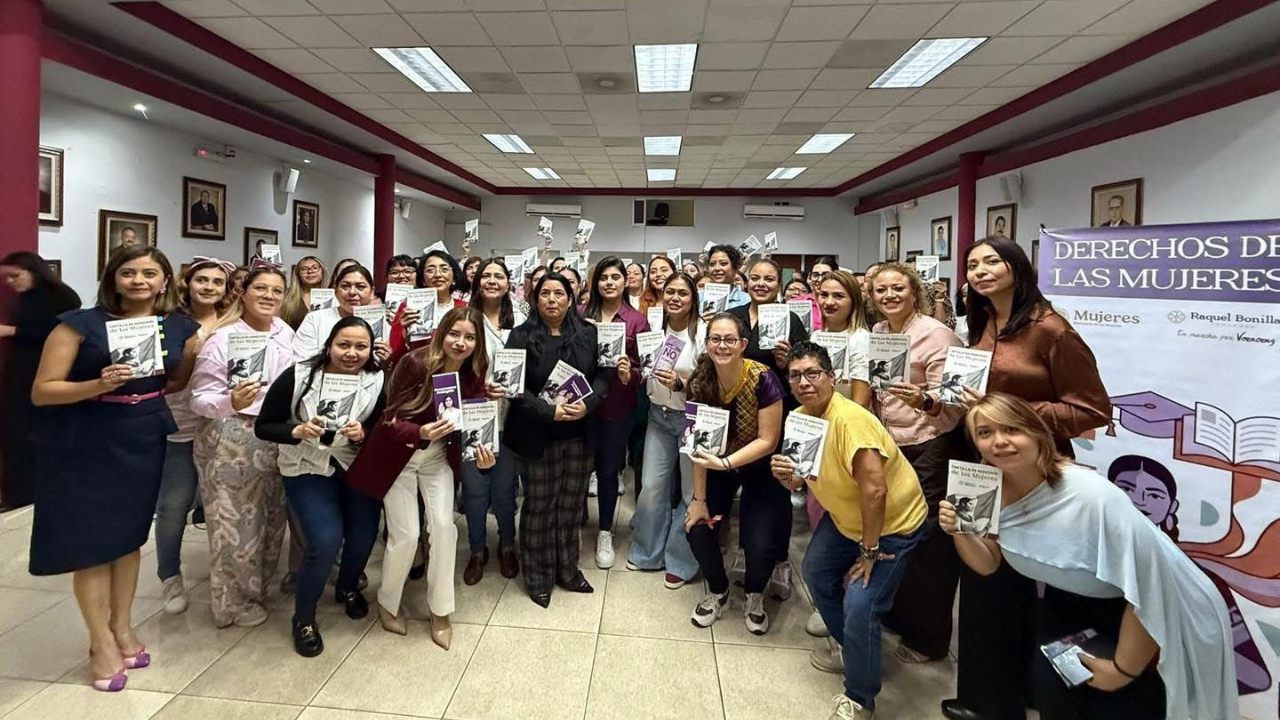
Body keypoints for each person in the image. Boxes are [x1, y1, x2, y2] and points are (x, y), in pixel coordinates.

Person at [941, 393, 1237, 720]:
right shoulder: (982, 483)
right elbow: (988, 563)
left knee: (1120, 707)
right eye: (985, 432)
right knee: (1055, 696)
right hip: (1070, 600)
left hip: (1144, 607)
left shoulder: (1093, 497)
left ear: (1037, 433)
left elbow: (1149, 589)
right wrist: (959, 531)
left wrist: (1123, 669)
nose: (999, 441)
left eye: (1012, 429)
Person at [943, 236, 1111, 720]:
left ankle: (1028, 692)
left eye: (991, 261)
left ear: (1017, 267)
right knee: (984, 581)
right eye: (972, 264)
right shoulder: (983, 321)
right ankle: (986, 700)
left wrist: (1012, 413)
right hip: (980, 464)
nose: (980, 271)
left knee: (1031, 578)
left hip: (1033, 469)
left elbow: (1092, 409)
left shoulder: (1050, 329)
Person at [29, 246, 201, 691]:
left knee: (128, 538)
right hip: (87, 438)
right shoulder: (78, 325)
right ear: (113, 278)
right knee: (92, 542)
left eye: (149, 272)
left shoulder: (179, 326)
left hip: (143, 433)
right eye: (128, 272)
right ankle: (99, 640)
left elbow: (175, 380)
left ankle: (122, 627)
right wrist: (97, 383)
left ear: (165, 280)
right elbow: (43, 391)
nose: (139, 280)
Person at [772, 342, 926, 720]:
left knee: (861, 604)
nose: (804, 382)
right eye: (796, 375)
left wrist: (869, 550)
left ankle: (860, 699)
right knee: (816, 572)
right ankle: (854, 651)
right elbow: (801, 481)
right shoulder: (800, 418)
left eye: (813, 373)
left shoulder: (850, 420)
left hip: (892, 526)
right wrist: (788, 478)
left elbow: (875, 491)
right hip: (847, 520)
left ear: (832, 377)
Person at [346, 308, 498, 647]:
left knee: (444, 528)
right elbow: (388, 418)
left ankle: (440, 610)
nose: (460, 343)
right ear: (441, 333)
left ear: (478, 342)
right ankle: (388, 601)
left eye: (470, 337)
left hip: (437, 457)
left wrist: (483, 451)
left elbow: (474, 419)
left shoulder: (474, 370)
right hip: (397, 457)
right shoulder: (415, 363)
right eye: (454, 334)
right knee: (406, 535)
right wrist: (420, 431)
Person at [254, 316, 386, 657]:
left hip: (354, 464)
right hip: (306, 466)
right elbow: (264, 426)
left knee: (363, 536)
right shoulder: (299, 376)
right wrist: (296, 431)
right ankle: (304, 618)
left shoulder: (376, 379)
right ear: (328, 346)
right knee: (325, 540)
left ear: (371, 350)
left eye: (361, 347)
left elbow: (382, 428)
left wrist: (363, 434)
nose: (352, 353)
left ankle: (347, 587)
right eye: (344, 345)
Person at [863, 262, 969, 664]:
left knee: (928, 542)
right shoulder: (880, 331)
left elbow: (955, 400)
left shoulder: (937, 334)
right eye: (881, 290)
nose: (889, 296)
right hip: (894, 446)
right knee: (899, 530)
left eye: (898, 289)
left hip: (931, 444)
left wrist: (924, 400)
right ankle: (899, 613)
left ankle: (929, 638)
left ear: (914, 292)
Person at [189, 265, 294, 628]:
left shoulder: (284, 332)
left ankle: (258, 589)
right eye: (260, 288)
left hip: (275, 434)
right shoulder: (222, 339)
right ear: (243, 293)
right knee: (234, 524)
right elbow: (199, 398)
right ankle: (232, 603)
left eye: (276, 291)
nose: (269, 296)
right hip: (231, 436)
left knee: (271, 517)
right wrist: (229, 402)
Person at [503, 272, 611, 607]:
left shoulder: (589, 333)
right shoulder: (520, 336)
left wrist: (588, 404)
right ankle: (538, 576)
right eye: (545, 293)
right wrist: (549, 411)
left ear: (571, 298)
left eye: (559, 293)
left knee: (570, 506)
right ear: (535, 299)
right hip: (537, 434)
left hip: (579, 433)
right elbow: (513, 386)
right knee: (539, 507)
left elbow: (603, 375)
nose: (552, 299)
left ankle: (568, 570)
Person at [682, 312, 785, 633]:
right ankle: (718, 590)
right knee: (697, 527)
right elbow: (698, 447)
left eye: (730, 340)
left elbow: (769, 440)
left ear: (743, 344)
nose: (722, 346)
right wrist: (699, 500)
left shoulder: (764, 378)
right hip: (717, 466)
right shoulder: (700, 382)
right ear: (707, 343)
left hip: (761, 467)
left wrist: (727, 463)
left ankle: (754, 594)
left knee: (760, 543)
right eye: (715, 339)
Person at [154, 257, 233, 615]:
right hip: (181, 420)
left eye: (217, 281)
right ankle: (169, 575)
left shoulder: (233, 321)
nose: (209, 287)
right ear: (188, 282)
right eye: (202, 280)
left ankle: (229, 571)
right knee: (174, 503)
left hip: (222, 423)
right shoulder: (169, 321)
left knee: (224, 505)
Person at [727, 257, 808, 599]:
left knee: (777, 488)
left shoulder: (791, 320)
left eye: (769, 279)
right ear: (746, 282)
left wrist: (787, 362)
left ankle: (780, 559)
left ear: (779, 284)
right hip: (738, 414)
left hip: (777, 415)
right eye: (756, 278)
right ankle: (748, 550)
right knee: (747, 486)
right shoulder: (735, 317)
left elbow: (804, 373)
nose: (761, 283)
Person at [626, 272, 703, 588]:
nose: (675, 298)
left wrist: (683, 384)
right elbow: (642, 369)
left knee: (689, 492)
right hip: (658, 416)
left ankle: (681, 560)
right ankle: (647, 552)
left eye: (683, 293)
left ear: (693, 299)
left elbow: (713, 380)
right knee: (651, 486)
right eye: (670, 291)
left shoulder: (703, 333)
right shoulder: (652, 327)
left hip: (691, 418)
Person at [581, 257, 648, 568]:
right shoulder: (580, 315)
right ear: (595, 283)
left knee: (608, 471)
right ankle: (575, 521)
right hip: (580, 405)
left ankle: (605, 531)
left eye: (615, 277)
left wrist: (628, 374)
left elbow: (645, 369)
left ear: (625, 281)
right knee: (577, 468)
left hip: (617, 407)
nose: (609, 282)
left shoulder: (637, 321)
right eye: (603, 277)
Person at [0, 252, 81, 509]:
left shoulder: (63, 297)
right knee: (15, 432)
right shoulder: (25, 298)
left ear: (33, 271)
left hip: (47, 371)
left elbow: (59, 333)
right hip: (20, 372)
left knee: (40, 433)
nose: (10, 282)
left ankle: (38, 492)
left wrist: (13, 331)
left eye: (15, 276)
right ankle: (19, 493)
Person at [462, 258, 526, 583]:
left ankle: (507, 545)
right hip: (476, 415)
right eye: (485, 275)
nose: (491, 280)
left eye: (498, 276)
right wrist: (479, 390)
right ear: (476, 282)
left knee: (504, 489)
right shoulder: (464, 318)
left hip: (512, 417)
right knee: (475, 489)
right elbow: (452, 365)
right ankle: (477, 549)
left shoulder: (522, 319)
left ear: (508, 283)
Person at [296, 263, 392, 364]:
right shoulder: (315, 319)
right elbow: (302, 362)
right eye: (345, 286)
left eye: (360, 287)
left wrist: (387, 363)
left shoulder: (383, 324)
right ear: (336, 291)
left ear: (372, 292)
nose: (352, 292)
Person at [389, 250, 467, 363]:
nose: (438, 275)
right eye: (430, 270)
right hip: (419, 370)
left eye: (444, 269)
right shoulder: (407, 308)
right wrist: (404, 333)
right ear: (423, 280)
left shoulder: (465, 307)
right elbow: (394, 355)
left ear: (454, 277)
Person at [814, 271, 871, 407]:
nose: (829, 302)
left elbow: (860, 402)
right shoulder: (815, 337)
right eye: (824, 295)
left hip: (847, 416)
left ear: (853, 302)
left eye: (838, 296)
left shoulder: (860, 338)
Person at [280, 256, 327, 330]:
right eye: (304, 269)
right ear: (298, 274)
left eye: (315, 268)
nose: (310, 271)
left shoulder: (332, 297)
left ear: (322, 272)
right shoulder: (286, 297)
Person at [705, 245, 751, 310]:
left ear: (735, 268)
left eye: (723, 264)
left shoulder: (748, 300)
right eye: (712, 264)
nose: (717, 268)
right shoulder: (698, 297)